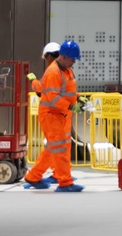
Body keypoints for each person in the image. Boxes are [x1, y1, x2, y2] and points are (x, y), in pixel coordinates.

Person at [24, 40, 84, 192]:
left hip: (60, 114)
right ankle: (65, 182)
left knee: (52, 148)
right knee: (60, 149)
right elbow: (53, 97)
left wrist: (78, 98)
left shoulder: (66, 70)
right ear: (63, 57)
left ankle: (33, 176)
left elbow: (67, 90)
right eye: (72, 59)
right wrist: (71, 106)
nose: (74, 62)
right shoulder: (53, 72)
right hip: (51, 115)